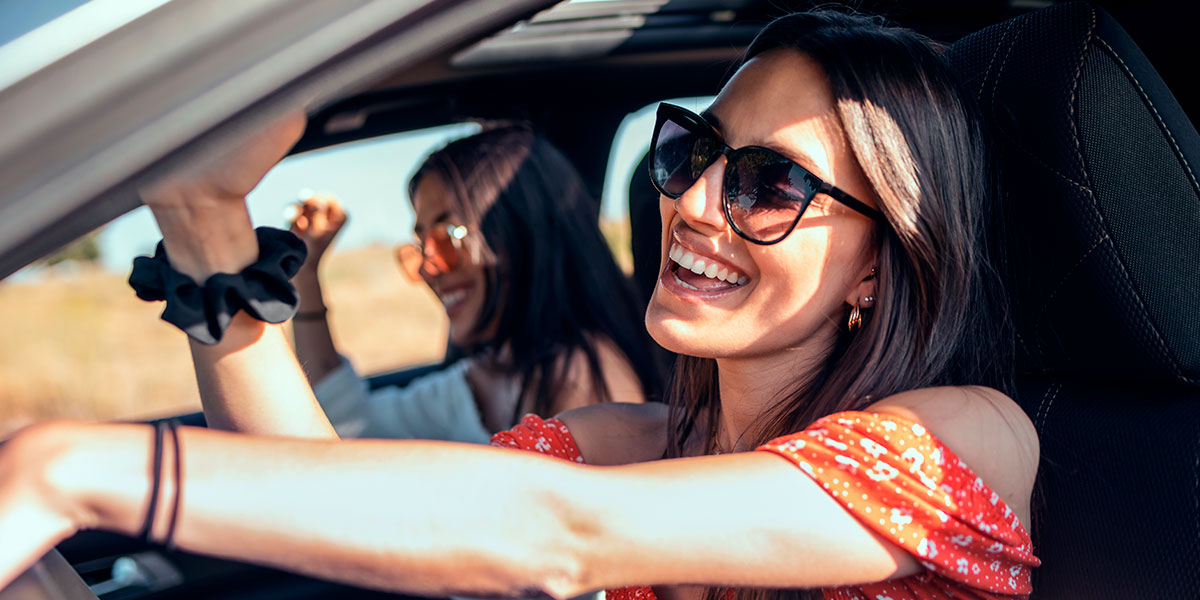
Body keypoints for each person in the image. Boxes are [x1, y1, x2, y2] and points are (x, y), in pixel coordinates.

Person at [0, 11, 1040, 600]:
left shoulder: (973, 439)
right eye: (693, 152)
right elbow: (334, 500)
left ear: (878, 263)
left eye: (771, 185)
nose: (692, 201)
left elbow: (563, 536)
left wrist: (72, 466)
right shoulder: (621, 445)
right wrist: (205, 220)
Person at [286, 126, 663, 441]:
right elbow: (350, 423)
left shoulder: (587, 380)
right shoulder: (481, 377)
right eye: (420, 247)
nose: (429, 268)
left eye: (446, 239)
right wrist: (305, 272)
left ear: (518, 234)